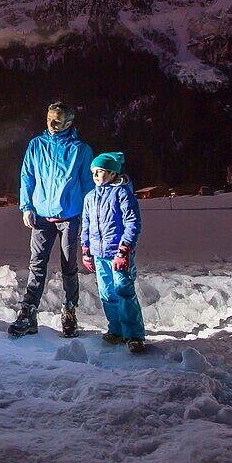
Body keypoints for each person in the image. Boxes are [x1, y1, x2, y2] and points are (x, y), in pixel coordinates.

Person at [7, 101, 93, 338]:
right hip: (41, 216)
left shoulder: (80, 150)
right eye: (49, 119)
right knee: (37, 265)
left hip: (70, 216)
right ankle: (28, 312)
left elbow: (87, 185)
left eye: (57, 120)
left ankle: (70, 311)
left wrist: (88, 216)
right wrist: (26, 207)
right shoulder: (36, 145)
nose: (52, 124)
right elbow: (27, 176)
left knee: (69, 266)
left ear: (69, 122)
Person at [80, 151, 146, 353]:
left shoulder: (122, 194)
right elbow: (87, 223)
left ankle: (134, 335)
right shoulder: (90, 197)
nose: (96, 177)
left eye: (99, 172)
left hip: (118, 254)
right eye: (93, 173)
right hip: (99, 254)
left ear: (112, 173)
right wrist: (86, 248)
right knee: (107, 293)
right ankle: (116, 329)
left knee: (124, 291)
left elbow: (132, 222)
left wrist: (125, 248)